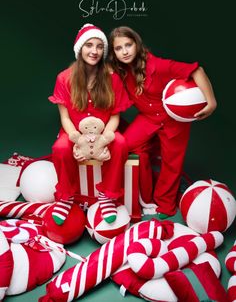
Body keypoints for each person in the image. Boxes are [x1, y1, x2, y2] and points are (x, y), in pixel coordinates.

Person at [108, 26, 217, 219]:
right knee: (127, 146)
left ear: (137, 44)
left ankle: (165, 203)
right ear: (113, 53)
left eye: (128, 45)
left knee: (172, 163)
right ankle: (146, 191)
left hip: (173, 120)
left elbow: (196, 70)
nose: (124, 51)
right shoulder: (119, 70)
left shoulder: (159, 65)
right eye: (118, 48)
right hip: (148, 118)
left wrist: (211, 101)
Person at [49, 23, 132, 225]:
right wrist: (77, 140)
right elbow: (65, 118)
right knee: (59, 148)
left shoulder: (112, 78)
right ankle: (66, 197)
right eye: (89, 45)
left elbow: (114, 117)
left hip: (105, 132)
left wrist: (104, 139)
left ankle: (107, 196)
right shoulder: (64, 78)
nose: (94, 51)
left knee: (120, 144)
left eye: (99, 46)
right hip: (74, 132)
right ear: (79, 49)